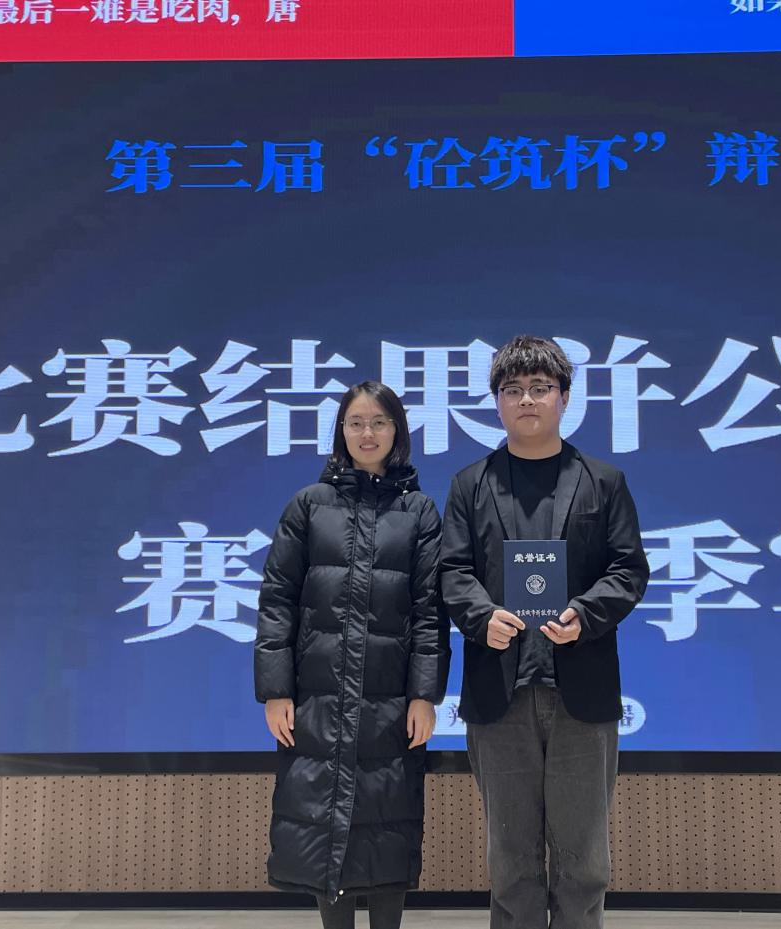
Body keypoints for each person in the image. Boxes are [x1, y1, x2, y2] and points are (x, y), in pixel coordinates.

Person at [439, 336, 650, 929]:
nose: (526, 400)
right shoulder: (470, 484)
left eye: (539, 388)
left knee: (584, 859)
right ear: (497, 402)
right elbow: (452, 571)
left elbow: (628, 569)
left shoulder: (603, 481)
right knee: (511, 859)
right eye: (513, 390)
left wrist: (586, 613)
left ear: (564, 398)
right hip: (499, 691)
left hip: (581, 691)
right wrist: (482, 616)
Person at [254, 380, 449, 929]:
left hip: (391, 702)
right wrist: (275, 690)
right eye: (357, 422)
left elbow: (430, 612)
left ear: (397, 431)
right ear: (341, 430)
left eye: (379, 422)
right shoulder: (309, 506)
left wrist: (424, 695)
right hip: (316, 697)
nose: (368, 433)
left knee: (387, 827)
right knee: (323, 828)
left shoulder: (419, 511)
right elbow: (277, 601)